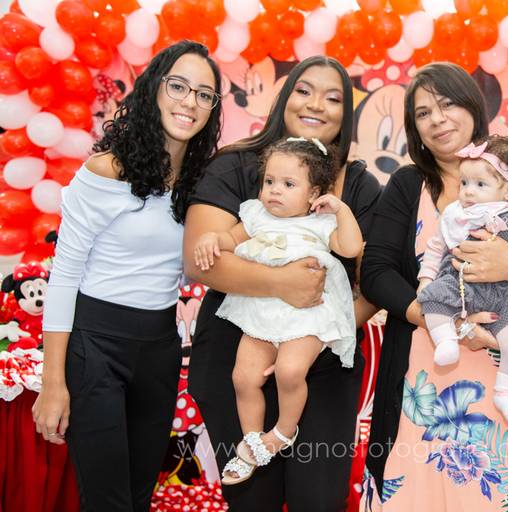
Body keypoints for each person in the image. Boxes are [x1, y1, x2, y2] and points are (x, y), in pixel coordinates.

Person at [360, 62, 508, 511]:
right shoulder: (407, 184)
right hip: (421, 374)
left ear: (474, 107)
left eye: (447, 104)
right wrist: (441, 321)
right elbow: (376, 271)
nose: (437, 119)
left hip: (502, 374)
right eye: (423, 113)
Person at [32, 40, 223, 511]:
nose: (189, 101)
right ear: (154, 88)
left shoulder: (202, 183)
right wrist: (53, 383)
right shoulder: (106, 171)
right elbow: (64, 275)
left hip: (159, 349)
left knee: (138, 498)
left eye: (204, 94)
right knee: (109, 502)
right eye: (178, 86)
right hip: (95, 346)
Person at [184, 56, 381, 511]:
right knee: (253, 498)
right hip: (240, 341)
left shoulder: (360, 187)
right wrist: (281, 284)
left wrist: (319, 332)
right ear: (284, 97)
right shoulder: (236, 165)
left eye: (334, 98)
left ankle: (284, 429)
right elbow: (203, 260)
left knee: (319, 498)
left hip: (321, 359)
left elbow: (376, 275)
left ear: (347, 113)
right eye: (304, 90)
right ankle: (256, 441)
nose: (316, 104)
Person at [192, 137, 362, 484]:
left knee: (289, 370)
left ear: (314, 194)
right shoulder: (256, 216)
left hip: (307, 315)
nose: (274, 190)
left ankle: (284, 431)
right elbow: (231, 239)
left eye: (288, 184)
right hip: (261, 312)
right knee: (243, 377)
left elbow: (351, 247)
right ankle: (252, 442)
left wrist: (341, 211)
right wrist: (212, 238)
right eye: (269, 181)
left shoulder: (322, 222)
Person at [416, 135, 508, 422]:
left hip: (506, 293)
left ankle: (505, 391)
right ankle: (445, 340)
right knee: (432, 299)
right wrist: (426, 278)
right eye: (464, 183)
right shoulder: (454, 215)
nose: (468, 191)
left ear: (507, 189)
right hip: (460, 282)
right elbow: (434, 248)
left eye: (480, 184)